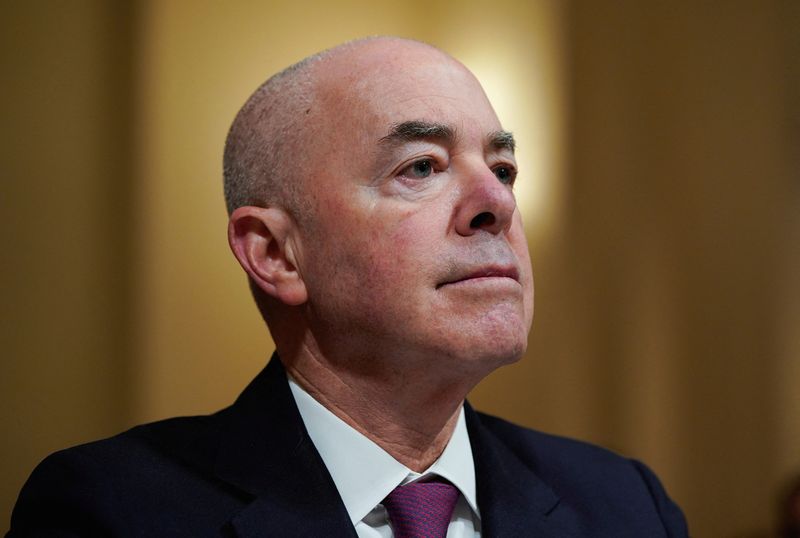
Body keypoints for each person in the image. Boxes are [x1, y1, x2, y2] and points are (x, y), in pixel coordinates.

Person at [8, 37, 688, 537]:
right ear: (276, 255)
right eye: (420, 167)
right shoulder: (111, 513)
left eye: (504, 168)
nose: (498, 205)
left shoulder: (624, 506)